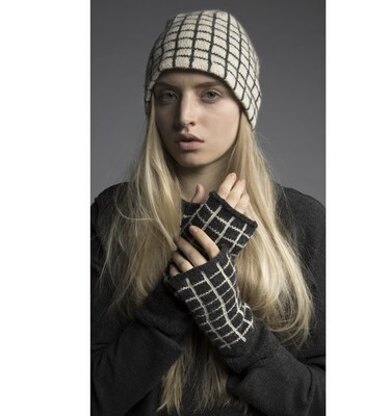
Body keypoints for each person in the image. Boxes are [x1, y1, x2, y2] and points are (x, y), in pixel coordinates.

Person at [91, 9, 325, 416]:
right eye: (167, 95)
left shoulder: (301, 221)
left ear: (244, 106)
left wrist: (230, 321)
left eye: (210, 94)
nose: (185, 116)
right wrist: (176, 296)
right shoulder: (114, 216)